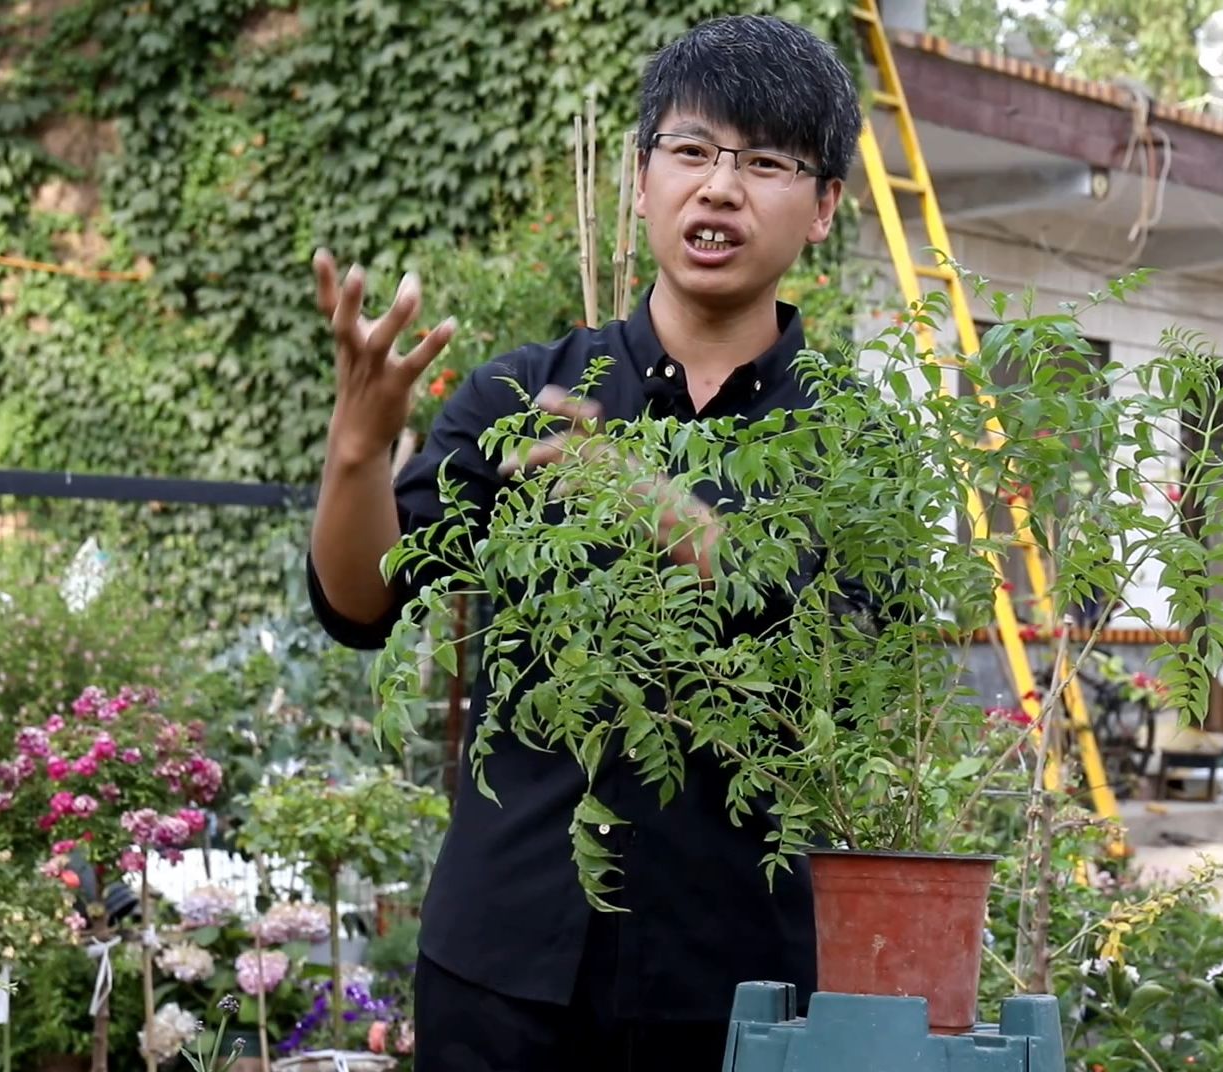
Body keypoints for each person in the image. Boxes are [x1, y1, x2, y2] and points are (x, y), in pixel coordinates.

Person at [306, 14, 861, 1071]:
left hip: (746, 987)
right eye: (691, 152)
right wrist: (356, 455)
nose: (721, 188)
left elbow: (846, 663)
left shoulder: (855, 444)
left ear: (824, 204)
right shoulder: (523, 393)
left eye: (767, 162)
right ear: (642, 180)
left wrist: (656, 506)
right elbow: (362, 603)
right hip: (506, 969)